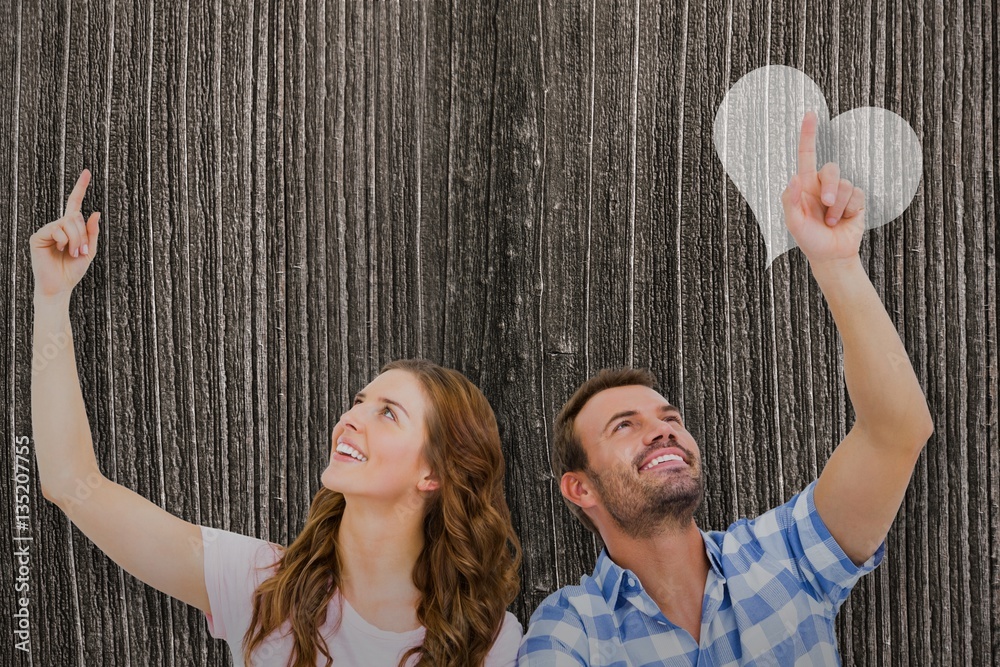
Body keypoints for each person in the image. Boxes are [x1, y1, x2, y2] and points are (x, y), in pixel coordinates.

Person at [30, 169, 523, 666]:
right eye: (358, 402)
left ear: (432, 473)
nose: (351, 419)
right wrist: (52, 301)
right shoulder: (260, 587)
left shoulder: (490, 642)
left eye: (388, 414)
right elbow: (70, 482)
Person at [518, 111, 935, 665]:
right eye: (626, 425)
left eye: (670, 417)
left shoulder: (786, 555)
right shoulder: (570, 628)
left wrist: (836, 264)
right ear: (579, 489)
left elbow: (896, 431)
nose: (662, 430)